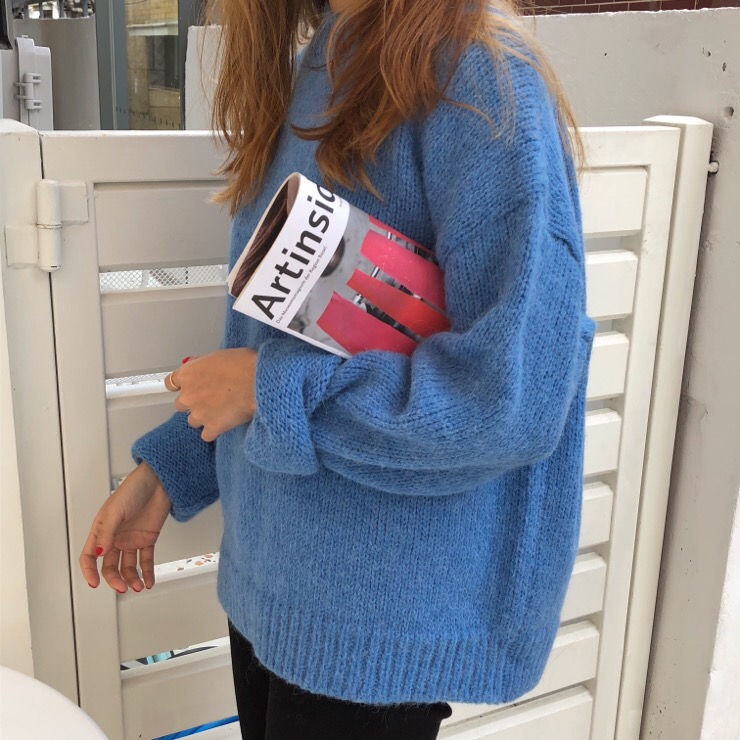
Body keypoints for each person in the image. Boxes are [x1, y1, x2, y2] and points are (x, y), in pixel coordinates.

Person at [79, 0, 596, 737]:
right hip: (269, 592)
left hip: (373, 631)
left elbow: (507, 401)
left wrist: (266, 392)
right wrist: (172, 468)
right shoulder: (318, 62)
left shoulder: (479, 78)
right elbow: (270, 341)